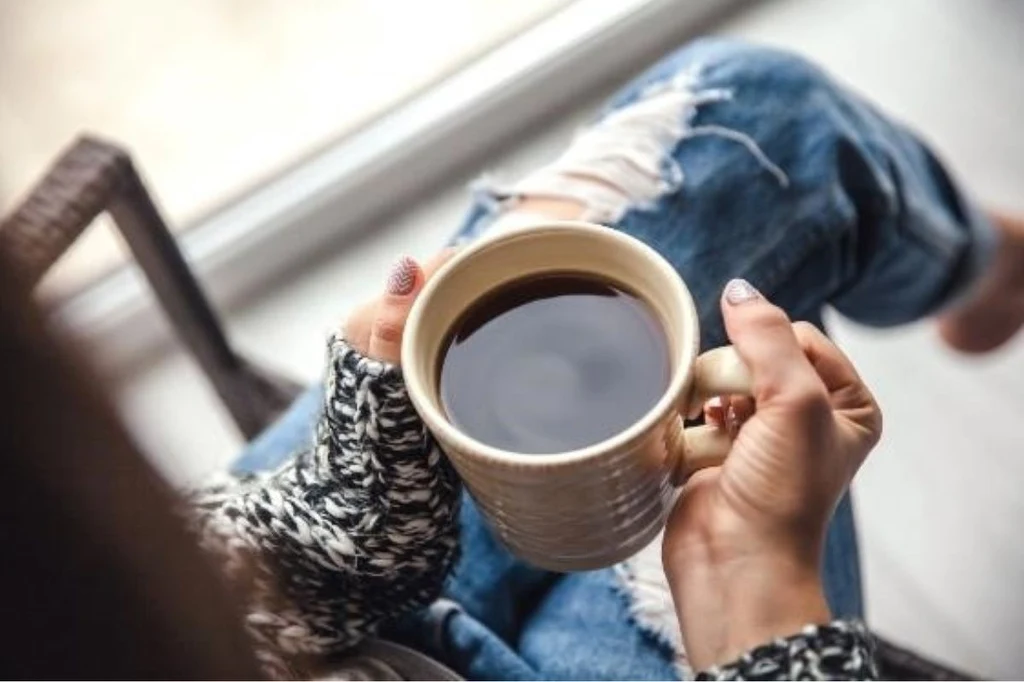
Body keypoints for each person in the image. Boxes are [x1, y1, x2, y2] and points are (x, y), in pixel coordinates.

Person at [5, 37, 1017, 679]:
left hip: (325, 625)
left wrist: (352, 500)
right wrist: (751, 593)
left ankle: (976, 268)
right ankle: (979, 269)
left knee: (761, 113)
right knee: (779, 136)